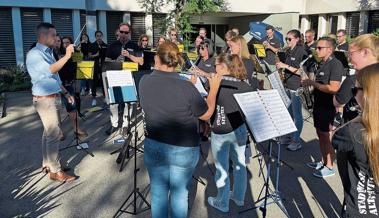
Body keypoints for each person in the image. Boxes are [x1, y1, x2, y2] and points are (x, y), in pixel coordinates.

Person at [139, 41, 221, 218]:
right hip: (183, 148)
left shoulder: (144, 80)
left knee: (159, 193)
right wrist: (213, 89)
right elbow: (206, 114)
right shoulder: (186, 87)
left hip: (154, 144)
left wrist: (188, 86)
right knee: (179, 194)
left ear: (156, 58)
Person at [333, 33, 379, 216]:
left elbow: (335, 136)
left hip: (360, 200)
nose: (349, 59)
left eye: (351, 53)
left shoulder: (354, 130)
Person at [26, 22, 76, 182]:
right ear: (43, 36)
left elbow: (55, 77)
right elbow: (51, 70)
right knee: (54, 133)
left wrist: (65, 92)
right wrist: (68, 56)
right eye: (53, 35)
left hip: (51, 97)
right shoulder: (35, 54)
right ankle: (55, 171)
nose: (56, 38)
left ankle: (47, 163)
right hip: (44, 100)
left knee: (48, 133)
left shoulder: (48, 52)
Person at [207, 53, 256, 213]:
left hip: (221, 130)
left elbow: (209, 107)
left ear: (223, 67)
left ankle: (222, 202)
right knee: (239, 164)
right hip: (240, 128)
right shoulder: (245, 84)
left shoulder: (217, 85)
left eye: (216, 65)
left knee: (221, 167)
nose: (214, 68)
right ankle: (239, 197)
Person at [302, 37, 343, 178]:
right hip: (319, 105)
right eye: (316, 47)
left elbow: (334, 88)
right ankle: (323, 161)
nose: (316, 50)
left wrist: (312, 84)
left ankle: (330, 166)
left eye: (320, 48)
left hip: (327, 106)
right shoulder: (321, 63)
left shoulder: (335, 65)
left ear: (330, 50)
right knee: (320, 134)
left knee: (326, 136)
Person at [105, 22, 143, 135]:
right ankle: (114, 124)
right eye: (121, 32)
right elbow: (106, 60)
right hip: (115, 76)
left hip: (129, 77)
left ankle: (126, 124)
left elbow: (141, 61)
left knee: (128, 103)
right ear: (118, 32)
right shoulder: (113, 45)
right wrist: (116, 60)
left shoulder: (135, 46)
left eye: (126, 32)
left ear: (129, 33)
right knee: (113, 103)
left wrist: (129, 56)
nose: (123, 34)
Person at [275, 29, 308, 151]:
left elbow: (302, 72)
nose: (287, 41)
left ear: (297, 39)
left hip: (296, 86)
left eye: (289, 39)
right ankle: (288, 136)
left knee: (297, 115)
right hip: (287, 85)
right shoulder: (289, 51)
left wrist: (285, 66)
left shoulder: (302, 52)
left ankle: (296, 140)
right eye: (286, 39)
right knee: (288, 113)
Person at [59, 36, 88, 139]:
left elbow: (80, 63)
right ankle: (59, 131)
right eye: (64, 43)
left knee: (72, 107)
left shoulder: (73, 53)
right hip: (58, 84)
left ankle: (76, 128)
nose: (65, 44)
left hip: (69, 83)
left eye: (68, 43)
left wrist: (78, 52)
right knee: (59, 109)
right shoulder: (58, 54)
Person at [88, 30, 108, 106]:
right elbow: (89, 55)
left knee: (104, 82)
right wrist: (95, 55)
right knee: (94, 83)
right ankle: (94, 98)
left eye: (100, 36)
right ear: (95, 37)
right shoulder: (92, 45)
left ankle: (105, 97)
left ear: (102, 36)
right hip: (95, 66)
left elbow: (107, 56)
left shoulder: (105, 45)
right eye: (97, 36)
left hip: (103, 66)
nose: (99, 37)